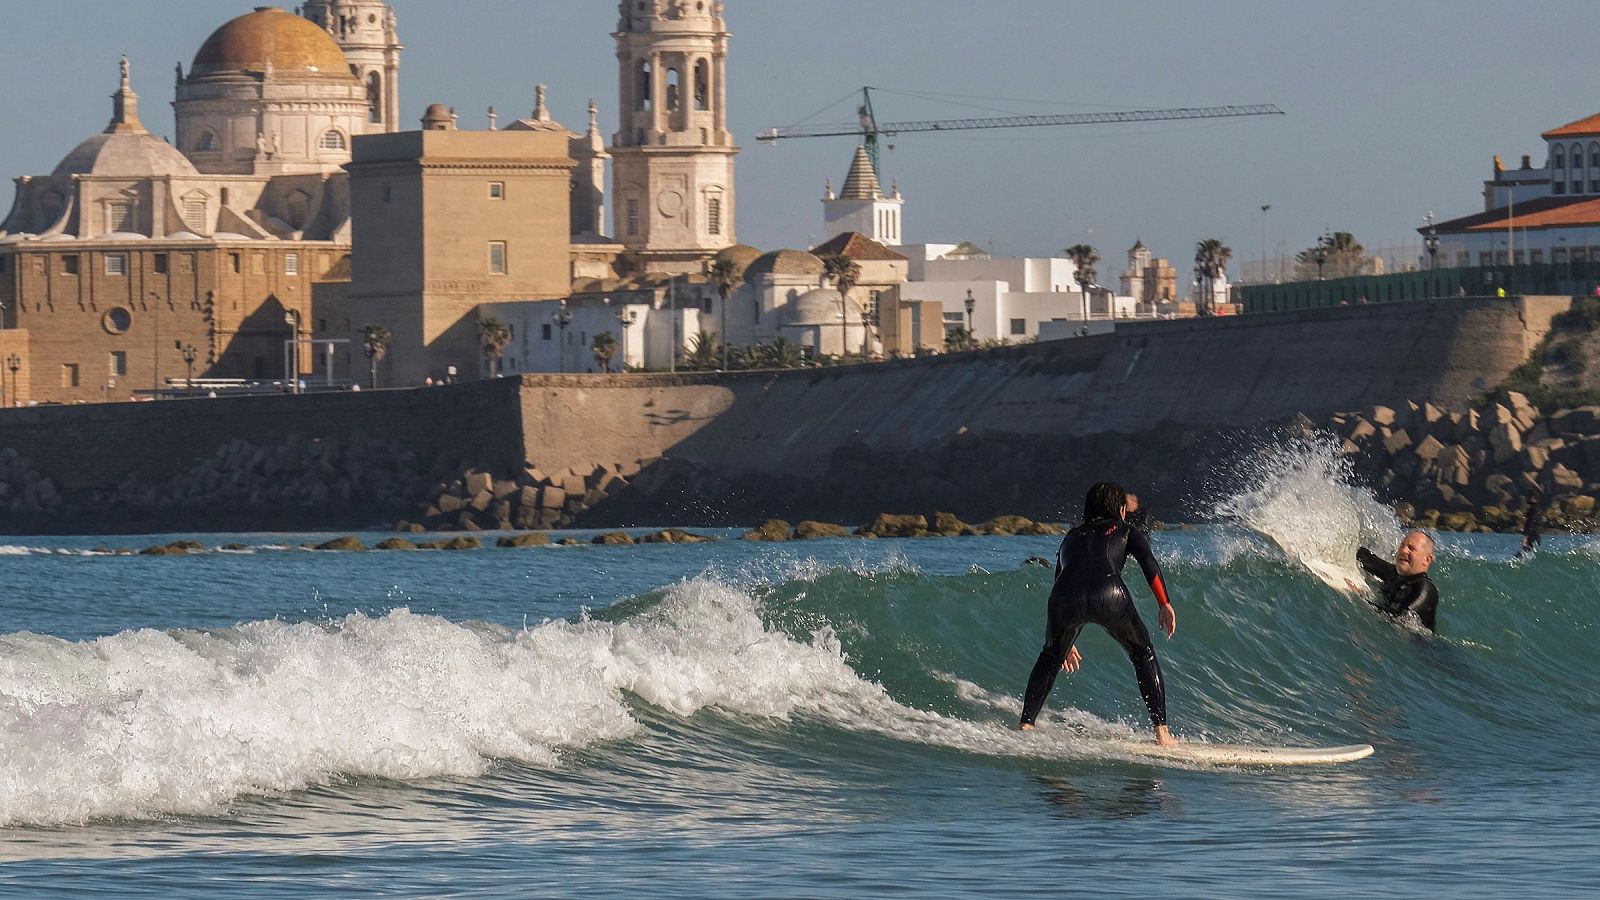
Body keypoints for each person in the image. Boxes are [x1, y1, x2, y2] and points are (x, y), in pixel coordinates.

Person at [1019, 482, 1178, 745]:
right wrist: (1164, 603)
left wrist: (1064, 640)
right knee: (1143, 653)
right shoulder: (1126, 529)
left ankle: (1026, 724)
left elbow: (1059, 581)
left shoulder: (1070, 537)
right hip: (1109, 593)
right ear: (1119, 509)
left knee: (1049, 657)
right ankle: (1162, 734)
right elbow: (1148, 562)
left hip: (1064, 599)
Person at [1351, 531, 1440, 632]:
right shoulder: (1395, 575)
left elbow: (1399, 618)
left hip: (1418, 644)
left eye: (1411, 548)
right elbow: (1366, 558)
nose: (1403, 550)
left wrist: (1359, 597)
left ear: (1427, 560)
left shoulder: (1425, 588)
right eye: (1402, 545)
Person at [1520, 489, 1543, 555]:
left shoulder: (1533, 509)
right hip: (1536, 537)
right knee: (1529, 554)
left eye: (1527, 496)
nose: (1526, 498)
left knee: (1521, 555)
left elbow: (1531, 522)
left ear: (1532, 497)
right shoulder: (1538, 508)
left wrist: (1526, 537)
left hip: (1532, 537)